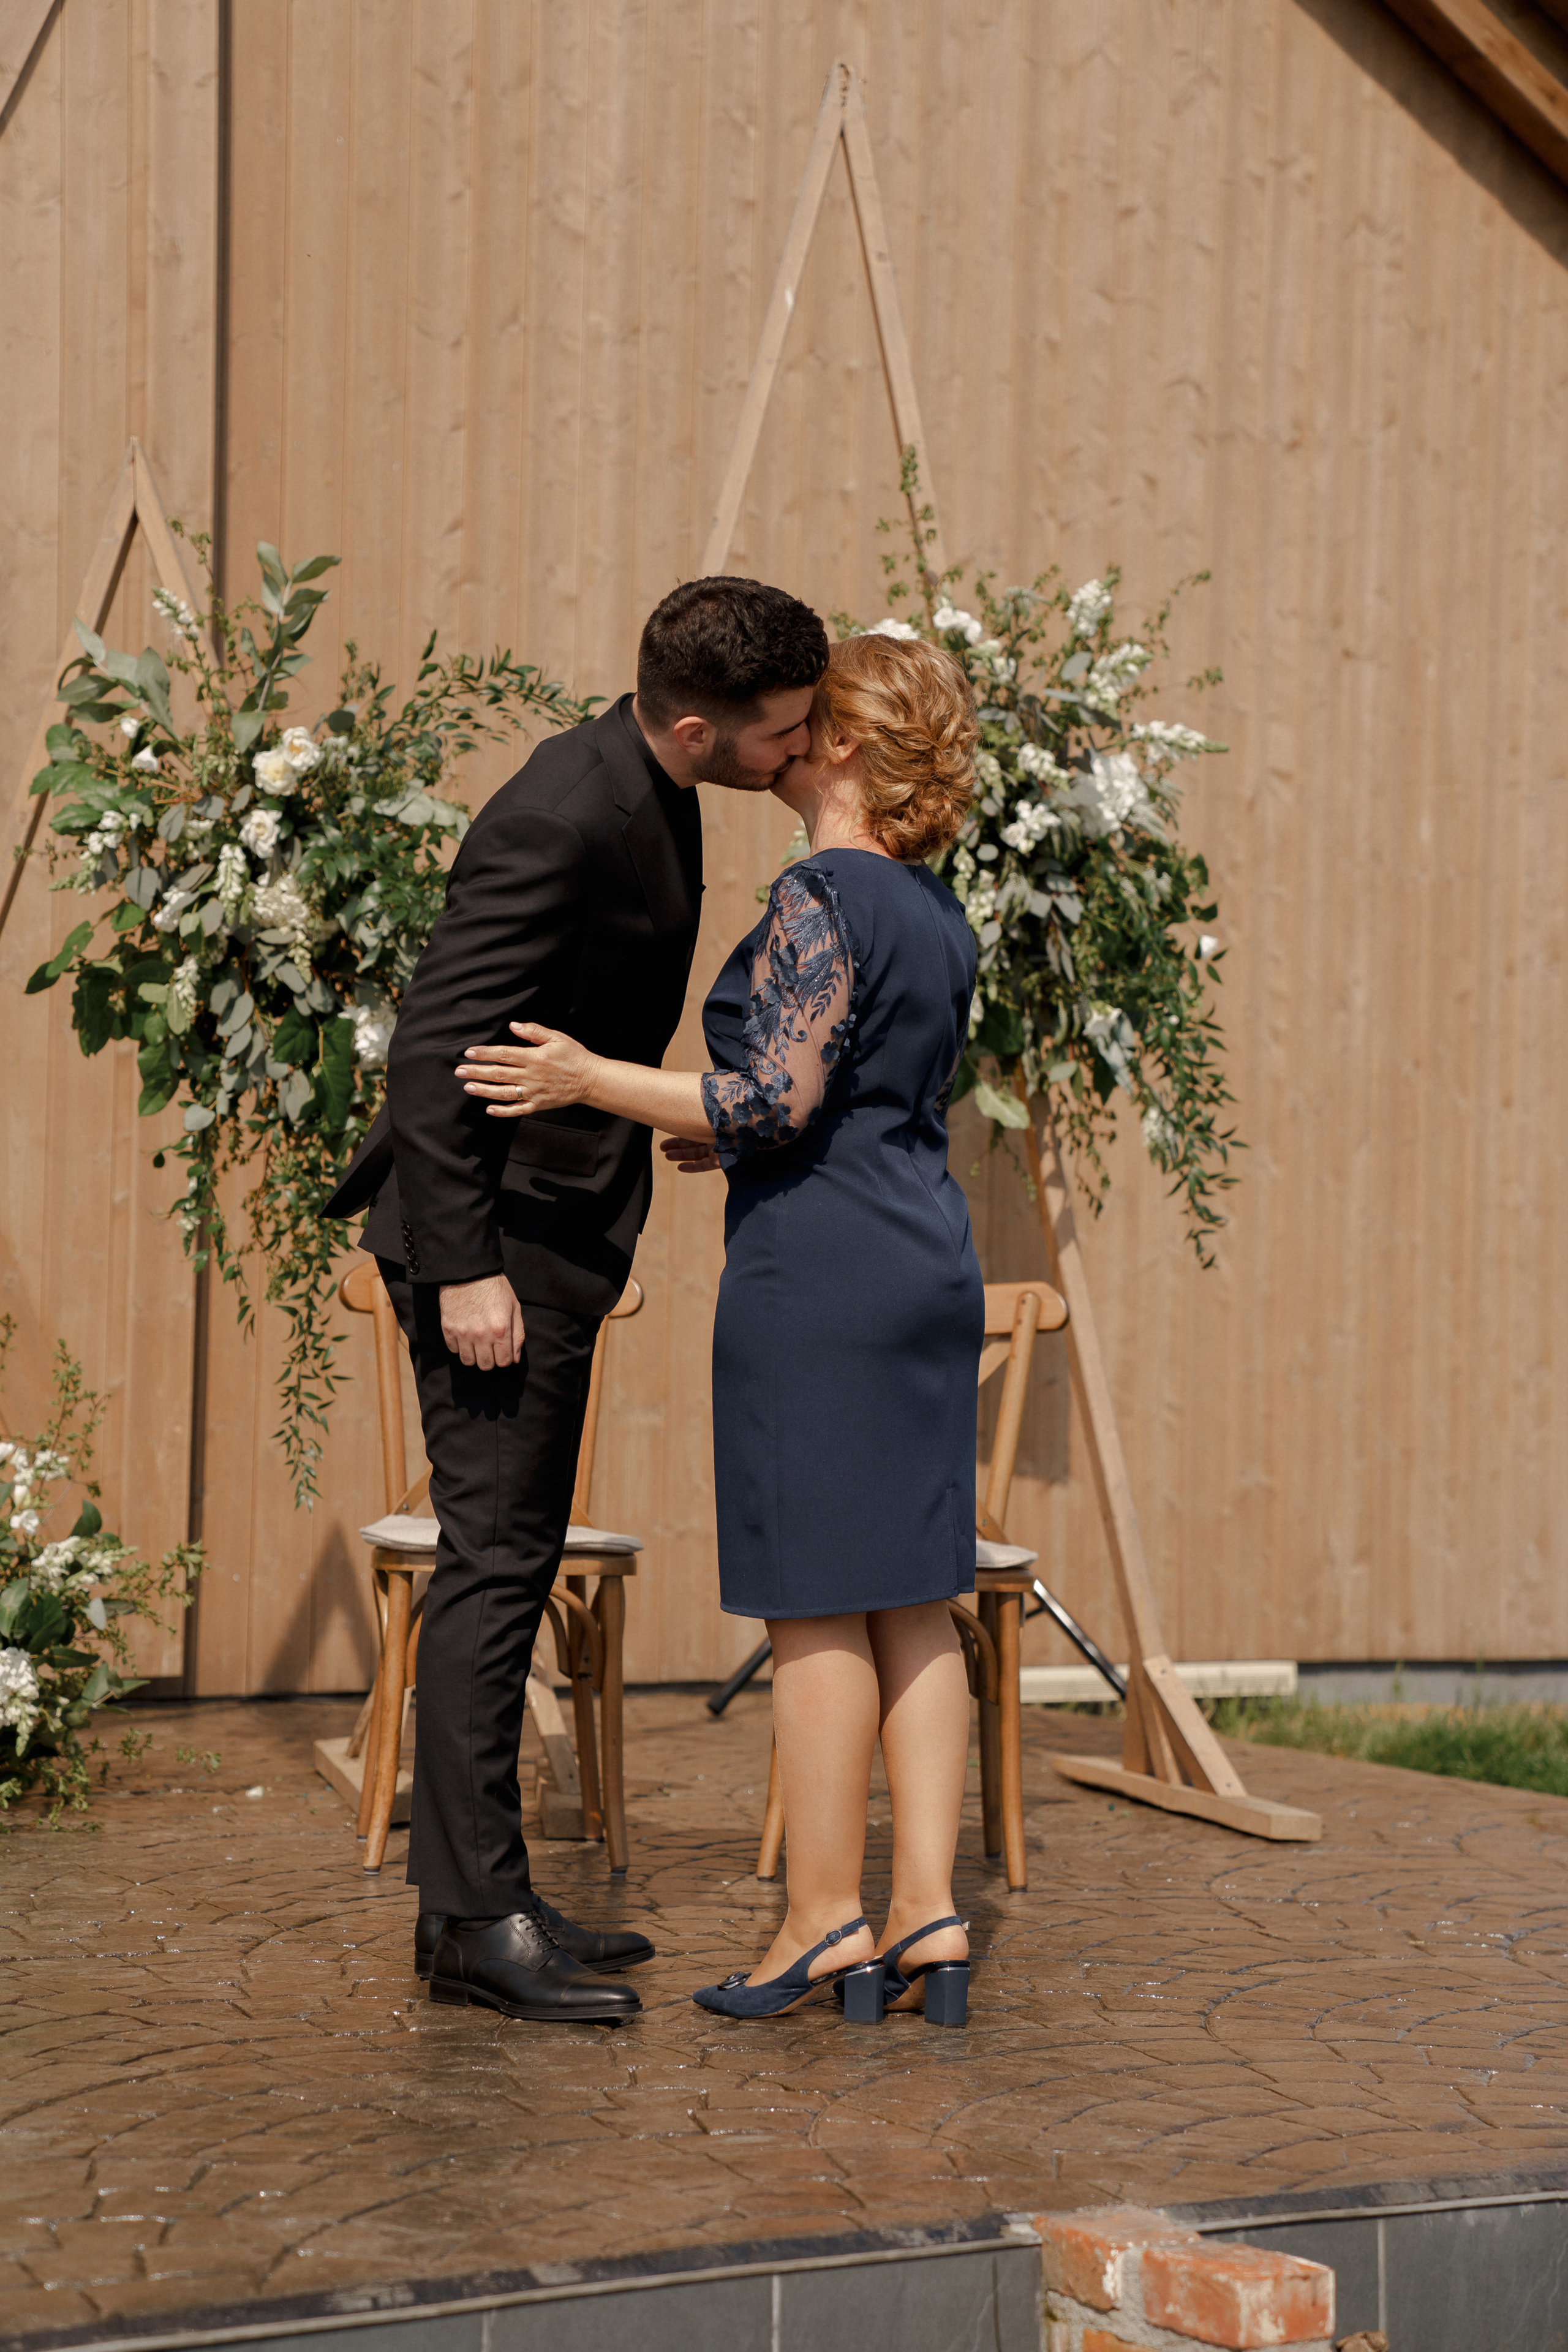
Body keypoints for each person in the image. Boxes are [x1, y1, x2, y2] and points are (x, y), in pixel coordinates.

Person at [455, 632, 984, 2025]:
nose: (780, 738)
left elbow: (771, 1102)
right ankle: (929, 1912)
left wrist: (584, 1076)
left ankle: (819, 1918)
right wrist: (735, 1133)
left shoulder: (821, 891)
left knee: (814, 1603)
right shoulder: (936, 911)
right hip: (923, 1260)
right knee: (915, 1600)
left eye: (806, 723)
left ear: (848, 748)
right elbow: (846, 1101)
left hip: (822, 1283)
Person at [322, 578, 829, 2024]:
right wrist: (469, 1262)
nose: (794, 752)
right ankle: (478, 1926)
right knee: (493, 1571)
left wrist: (643, 1115)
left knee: (513, 1557)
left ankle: (476, 1899)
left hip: (550, 1218)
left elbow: (572, 1022)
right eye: (780, 733)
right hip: (495, 1243)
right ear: (695, 724)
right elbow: (433, 1048)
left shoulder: (644, 780)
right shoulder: (565, 809)